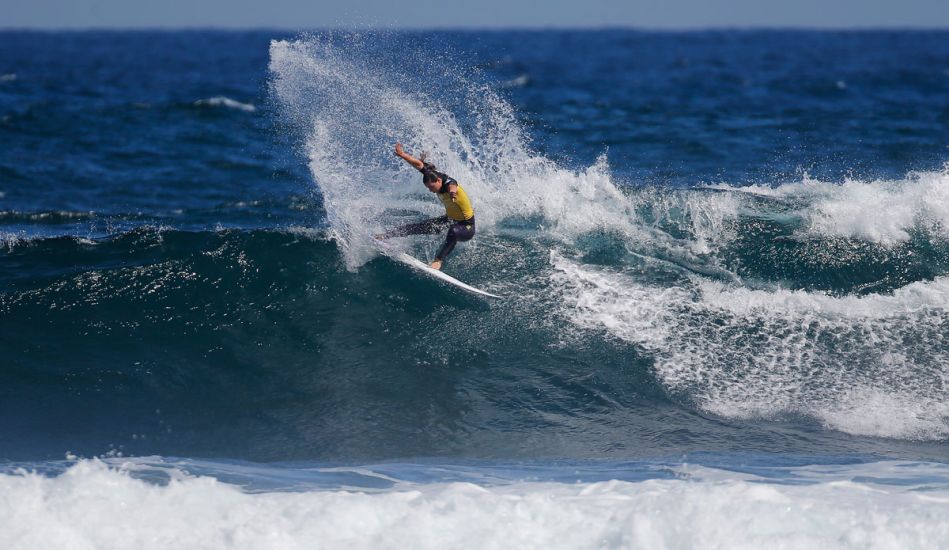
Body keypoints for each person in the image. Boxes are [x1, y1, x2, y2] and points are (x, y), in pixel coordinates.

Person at [376, 142, 476, 270]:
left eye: (431, 187)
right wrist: (402, 155)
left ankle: (438, 261)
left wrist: (452, 193)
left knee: (453, 232)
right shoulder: (433, 176)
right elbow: (419, 165)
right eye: (428, 187)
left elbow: (453, 184)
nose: (430, 190)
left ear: (439, 181)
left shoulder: (448, 184)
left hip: (466, 226)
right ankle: (385, 236)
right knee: (417, 227)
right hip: (449, 219)